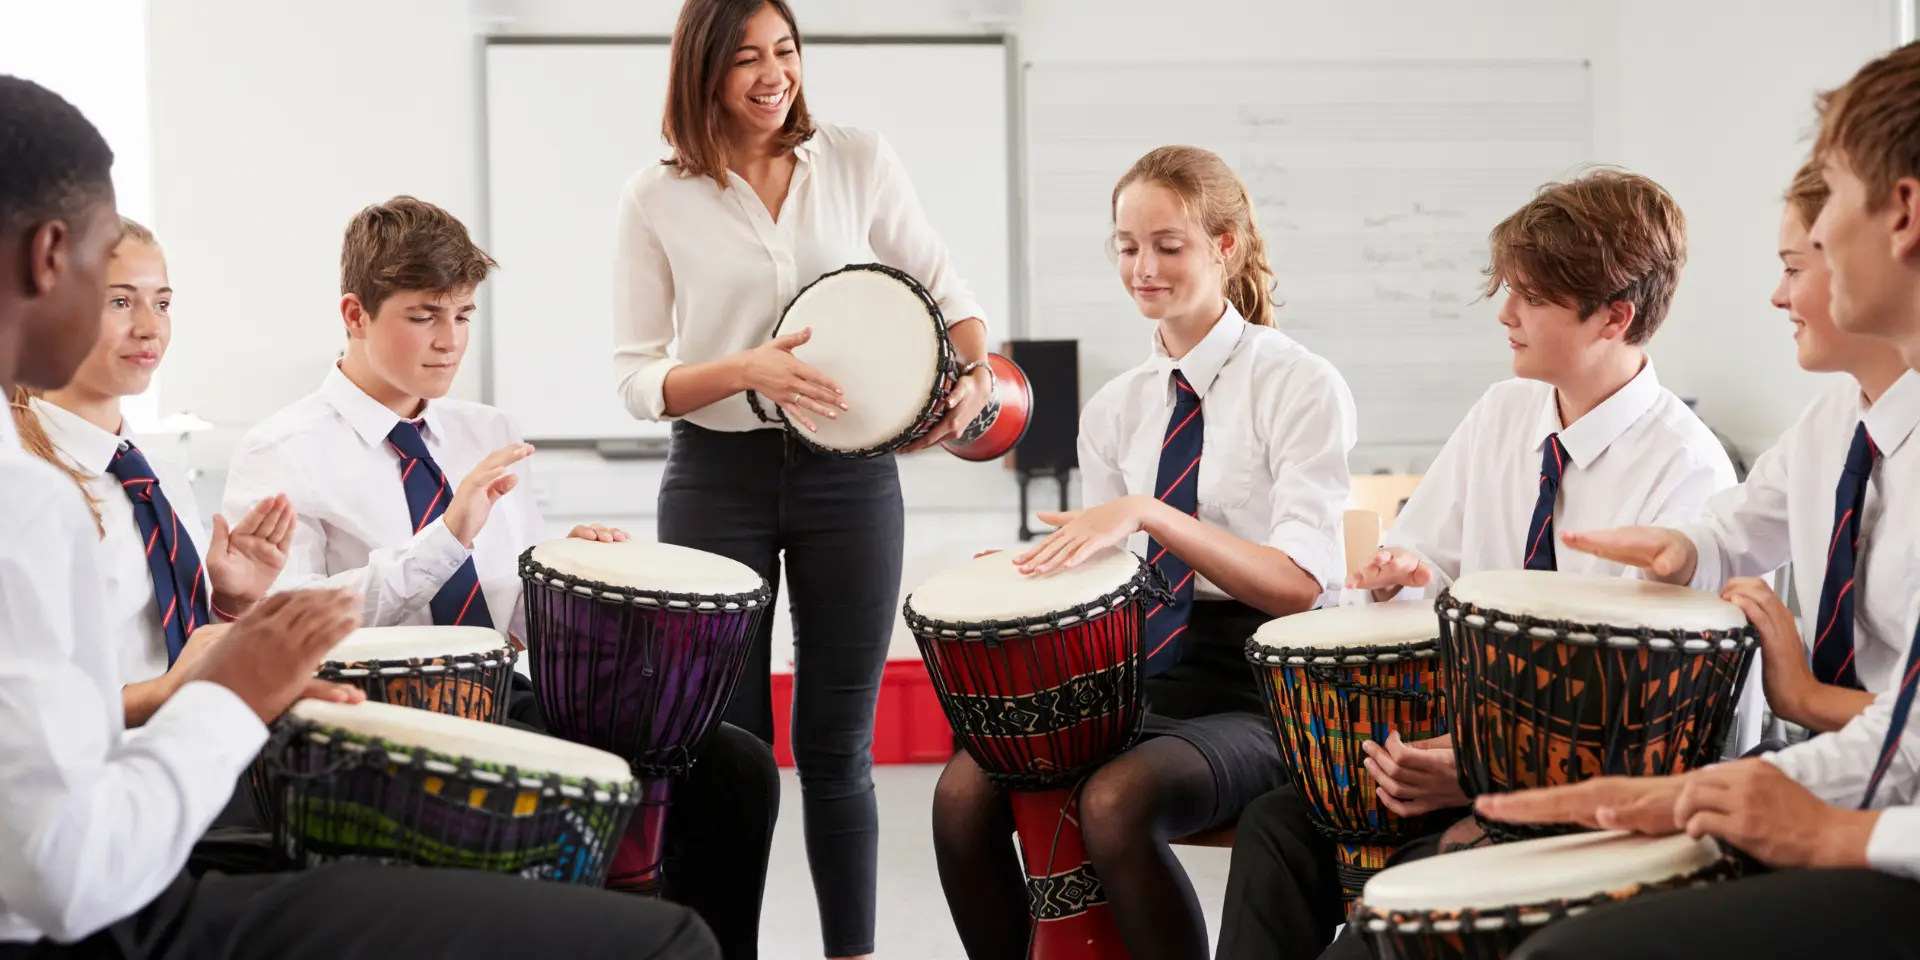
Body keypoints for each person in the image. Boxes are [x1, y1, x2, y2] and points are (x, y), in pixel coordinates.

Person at [0, 73, 719, 960]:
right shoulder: (40, 489)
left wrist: (568, 579)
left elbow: (190, 646)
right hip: (249, 781)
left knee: (725, 772)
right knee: (657, 935)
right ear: (48, 258)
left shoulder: (144, 472)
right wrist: (234, 678)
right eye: (111, 287)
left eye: (163, 298)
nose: (148, 322)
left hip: (242, 758)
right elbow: (68, 853)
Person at [1446, 42, 1920, 960]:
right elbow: (1906, 741)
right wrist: (1697, 796)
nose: (1785, 287)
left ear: (1900, 213)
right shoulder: (1834, 429)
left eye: (1817, 244)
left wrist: (1839, 830)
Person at [220, 194, 776, 958]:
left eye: (464, 315)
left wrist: (568, 575)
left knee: (735, 769)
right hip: (371, 715)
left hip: (501, 693)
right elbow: (284, 631)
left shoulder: (485, 430)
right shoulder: (282, 449)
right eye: (423, 316)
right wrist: (446, 536)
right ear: (355, 313)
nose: (450, 342)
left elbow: (512, 615)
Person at [1214, 168, 1738, 960]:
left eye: (1530, 298)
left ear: (1614, 317)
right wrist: (1403, 574)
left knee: (1383, 918)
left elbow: (1659, 725)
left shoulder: (1688, 475)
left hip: (1585, 798)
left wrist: (1487, 778)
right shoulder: (1504, 412)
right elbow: (1427, 560)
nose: (1506, 314)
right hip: (1464, 750)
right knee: (1278, 828)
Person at [612, 2, 994, 956]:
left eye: (784, 51)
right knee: (726, 753)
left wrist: (975, 375)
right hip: (715, 478)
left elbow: (952, 298)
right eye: (745, 58)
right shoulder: (655, 197)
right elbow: (635, 377)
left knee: (837, 750)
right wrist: (746, 368)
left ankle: (851, 953)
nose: (772, 74)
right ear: (701, 72)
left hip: (850, 479)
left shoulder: (857, 157)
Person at [930, 145, 1355, 960]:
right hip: (1136, 679)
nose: (1142, 267)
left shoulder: (1299, 383)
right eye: (1127, 246)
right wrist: (1022, 581)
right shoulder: (1116, 407)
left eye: (1169, 245)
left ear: (1225, 245)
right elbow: (1106, 578)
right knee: (962, 794)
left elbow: (1301, 589)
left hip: (1266, 691)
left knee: (1116, 800)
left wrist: (1151, 515)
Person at [1563, 160, 1919, 735]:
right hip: (1839, 761)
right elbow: (1732, 533)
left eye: (1794, 268)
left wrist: (1806, 699)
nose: (1778, 297)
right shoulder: (1830, 426)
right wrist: (1682, 550)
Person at [9, 217, 297, 727]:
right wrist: (163, 694)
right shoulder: (21, 485)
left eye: (161, 303)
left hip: (186, 776)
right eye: (119, 302)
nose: (150, 327)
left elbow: (174, 652)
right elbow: (20, 713)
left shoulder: (156, 476)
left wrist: (230, 602)